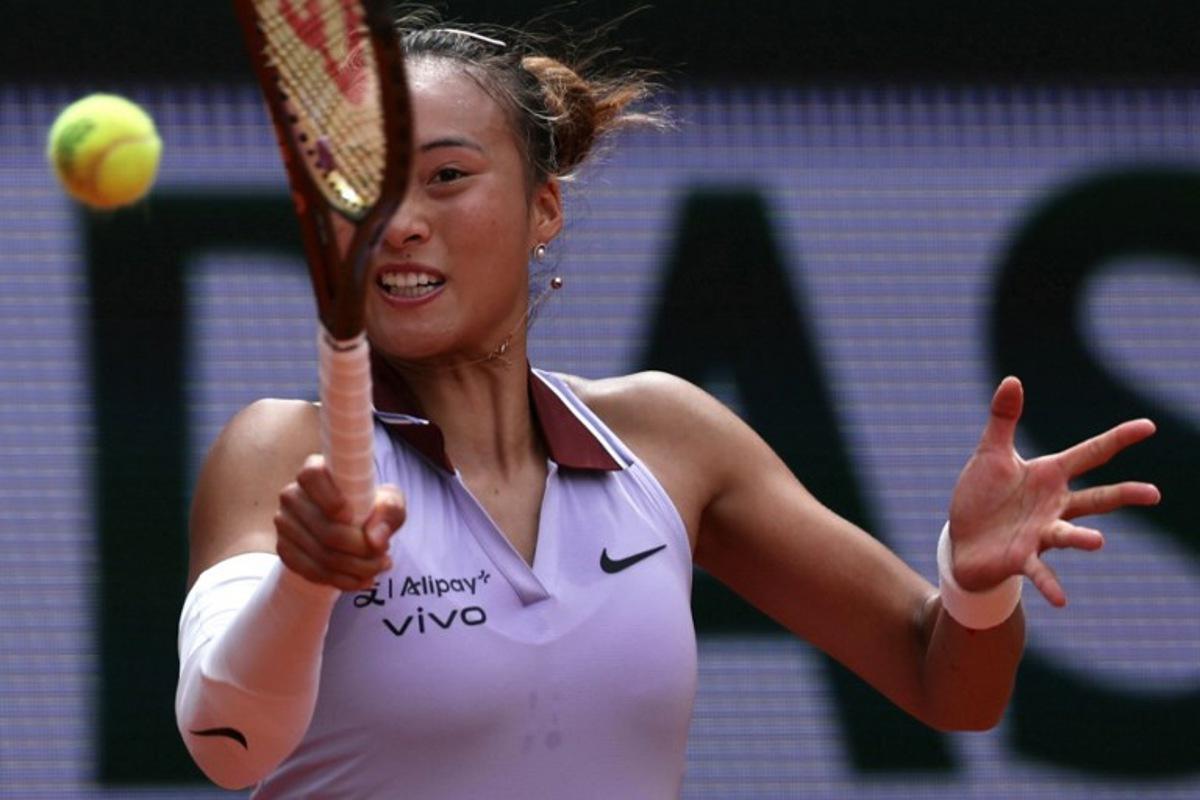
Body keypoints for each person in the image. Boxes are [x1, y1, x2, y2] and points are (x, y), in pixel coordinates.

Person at [174, 12, 1161, 799]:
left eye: (446, 177)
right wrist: (305, 583)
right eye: (370, 188)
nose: (403, 224)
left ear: (543, 209)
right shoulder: (280, 449)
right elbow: (229, 743)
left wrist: (979, 587)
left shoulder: (668, 435)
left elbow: (947, 683)